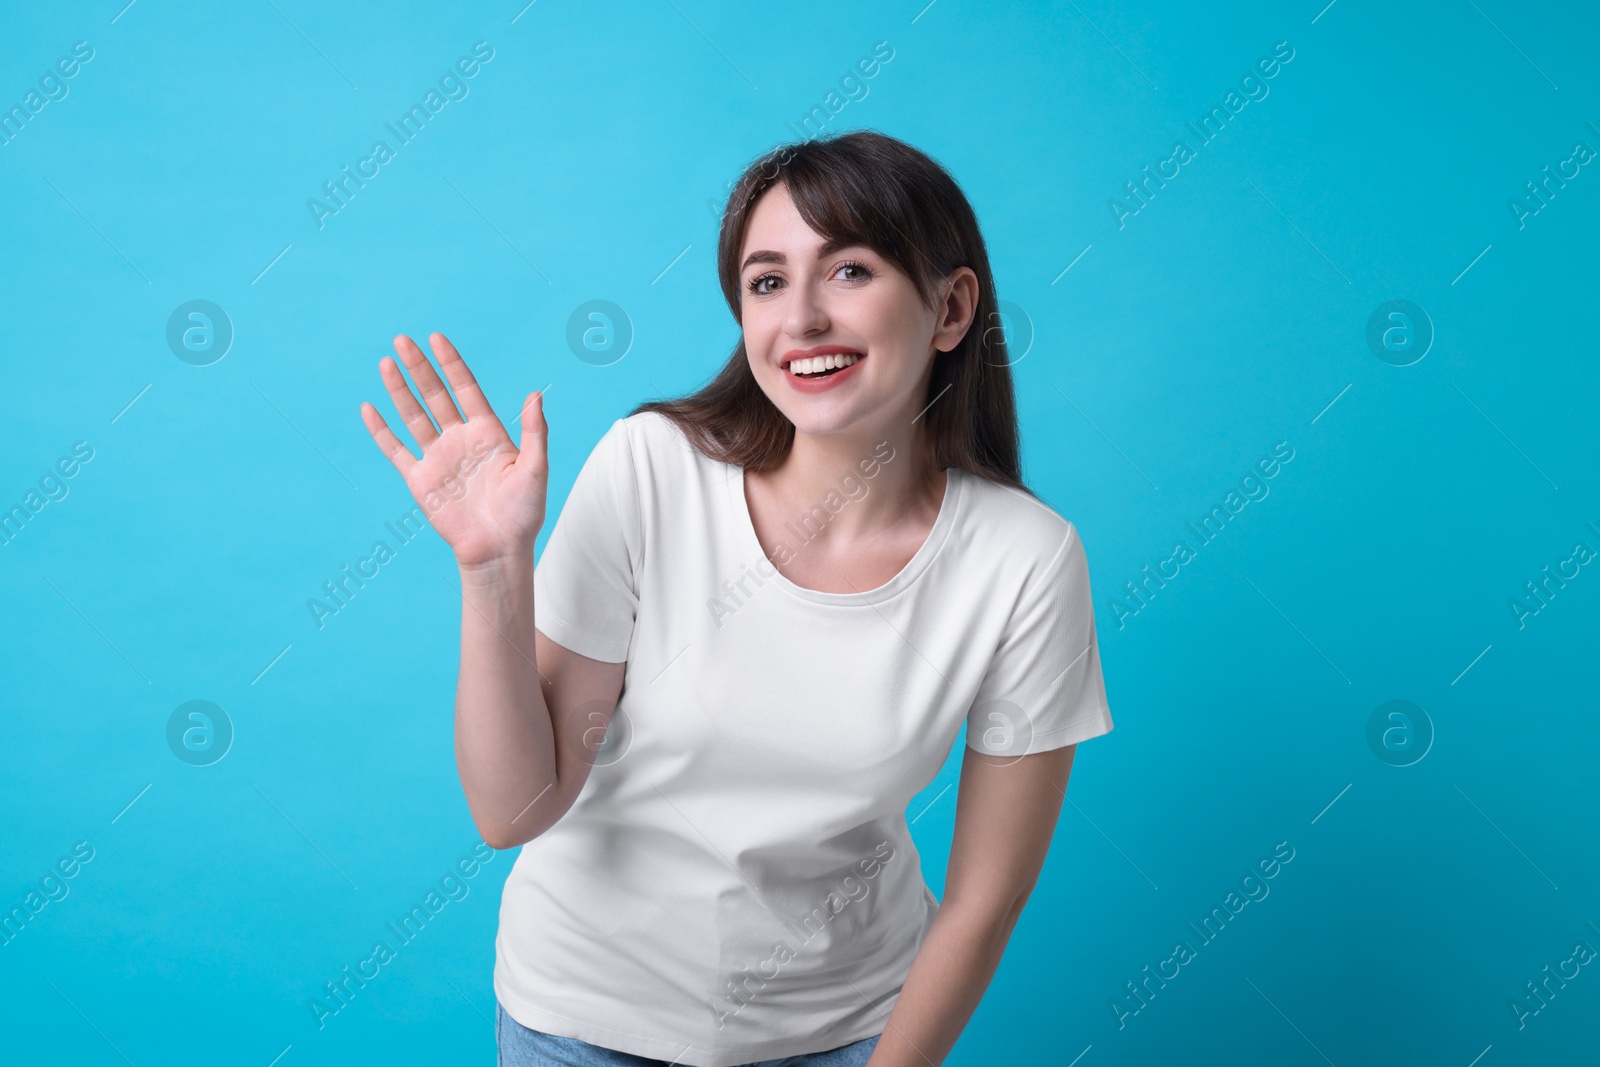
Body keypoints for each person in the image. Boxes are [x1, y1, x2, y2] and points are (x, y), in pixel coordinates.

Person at [359, 130, 1114, 1067]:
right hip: (580, 1026)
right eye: (766, 281)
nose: (800, 318)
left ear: (952, 307)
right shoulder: (653, 471)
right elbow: (514, 810)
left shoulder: (1025, 561)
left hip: (846, 1033)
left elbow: (984, 899)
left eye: (849, 271)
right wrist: (492, 568)